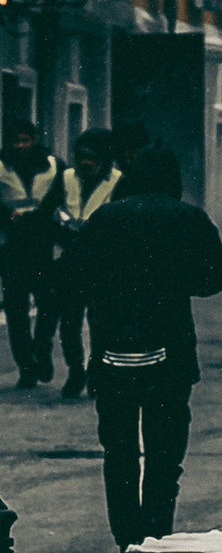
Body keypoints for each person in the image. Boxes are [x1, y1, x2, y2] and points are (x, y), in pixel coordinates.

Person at [54, 140, 222, 552]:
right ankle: (155, 531)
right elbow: (218, 274)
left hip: (113, 349)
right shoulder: (188, 218)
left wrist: (106, 291)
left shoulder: (105, 219)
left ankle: (127, 536)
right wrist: (177, 283)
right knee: (165, 452)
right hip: (170, 351)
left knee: (118, 451)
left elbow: (72, 275)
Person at [49, 129, 122, 399]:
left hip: (103, 262)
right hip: (70, 259)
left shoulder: (117, 180)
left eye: (91, 158)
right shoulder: (66, 177)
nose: (85, 163)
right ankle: (75, 370)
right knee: (69, 323)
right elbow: (53, 207)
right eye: (81, 158)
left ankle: (96, 372)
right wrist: (65, 223)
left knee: (100, 322)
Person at [0, 117, 62, 388]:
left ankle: (42, 350)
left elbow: (61, 197)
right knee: (16, 311)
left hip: (42, 245)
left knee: (48, 304)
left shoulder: (53, 165)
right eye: (16, 141)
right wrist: (5, 215)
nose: (21, 145)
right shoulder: (2, 165)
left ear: (34, 140)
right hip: (11, 246)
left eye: (25, 140)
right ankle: (26, 367)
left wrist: (43, 214)